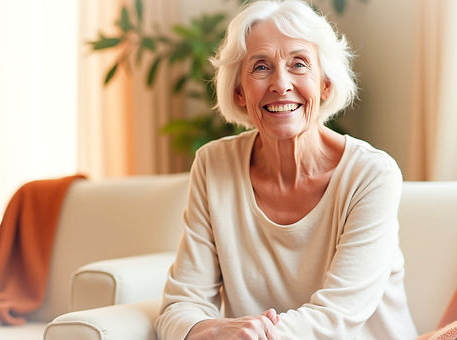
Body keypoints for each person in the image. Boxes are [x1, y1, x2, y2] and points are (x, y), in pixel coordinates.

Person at [154, 1, 416, 339]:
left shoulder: (371, 175)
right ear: (239, 92)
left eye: (298, 64)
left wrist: (252, 335)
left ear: (324, 84)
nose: (280, 83)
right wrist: (218, 331)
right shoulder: (213, 166)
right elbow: (179, 306)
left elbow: (337, 316)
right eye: (261, 67)